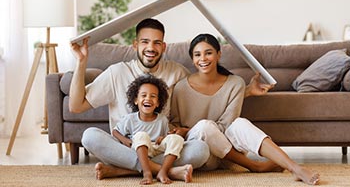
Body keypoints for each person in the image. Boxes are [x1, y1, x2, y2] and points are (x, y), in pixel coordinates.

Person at [69, 18, 273, 180]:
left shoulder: (177, 73)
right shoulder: (116, 73)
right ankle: (165, 171)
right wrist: (81, 62)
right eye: (145, 42)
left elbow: (207, 92)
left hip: (162, 148)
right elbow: (76, 106)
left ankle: (125, 170)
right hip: (125, 148)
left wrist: (245, 91)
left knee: (200, 150)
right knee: (90, 137)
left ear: (164, 46)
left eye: (157, 42)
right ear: (135, 45)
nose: (151, 47)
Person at [170, 33, 320, 185]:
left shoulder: (235, 83)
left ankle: (295, 168)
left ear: (218, 55)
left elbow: (228, 125)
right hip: (202, 153)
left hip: (228, 154)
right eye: (197, 55)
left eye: (208, 53)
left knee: (239, 123)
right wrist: (184, 131)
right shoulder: (181, 87)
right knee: (204, 126)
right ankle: (255, 166)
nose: (203, 59)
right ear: (192, 59)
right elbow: (174, 124)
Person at [114, 74, 192, 184]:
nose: (148, 99)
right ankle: (147, 172)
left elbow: (167, 139)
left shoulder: (162, 120)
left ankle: (163, 171)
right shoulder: (129, 119)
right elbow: (115, 131)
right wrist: (124, 140)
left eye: (153, 96)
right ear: (136, 100)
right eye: (144, 95)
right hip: (140, 149)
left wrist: (163, 138)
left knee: (176, 138)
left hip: (157, 150)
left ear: (158, 103)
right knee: (141, 135)